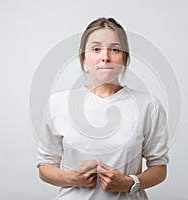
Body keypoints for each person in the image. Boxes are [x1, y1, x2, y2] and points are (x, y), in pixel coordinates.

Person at [37, 17, 169, 200]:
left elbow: (159, 168)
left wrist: (130, 183)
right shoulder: (58, 104)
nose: (105, 57)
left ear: (125, 58)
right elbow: (45, 166)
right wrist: (73, 177)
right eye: (96, 49)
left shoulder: (148, 105)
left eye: (115, 49)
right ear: (84, 57)